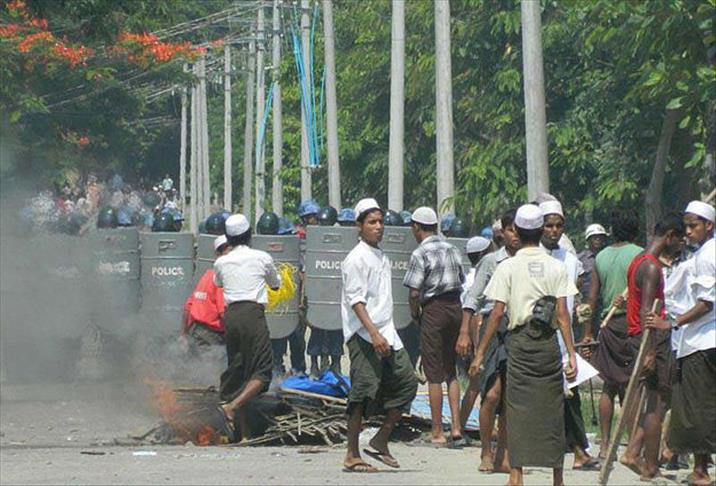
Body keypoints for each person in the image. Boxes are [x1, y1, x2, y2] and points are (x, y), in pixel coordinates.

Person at [469, 204, 578, 486]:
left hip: (518, 345)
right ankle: (557, 478)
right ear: (541, 231)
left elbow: (496, 313)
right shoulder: (556, 266)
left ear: (516, 230)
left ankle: (516, 475)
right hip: (548, 346)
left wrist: (479, 353)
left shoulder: (507, 267)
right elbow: (562, 315)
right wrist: (571, 355)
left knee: (516, 410)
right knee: (552, 411)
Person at [341, 198, 418, 472]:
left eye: (380, 222)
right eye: (372, 222)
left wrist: (384, 332)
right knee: (362, 392)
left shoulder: (381, 256)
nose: (378, 227)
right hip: (365, 334)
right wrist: (373, 333)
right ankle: (352, 454)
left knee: (408, 383)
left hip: (387, 332)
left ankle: (380, 439)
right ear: (359, 226)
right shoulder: (356, 259)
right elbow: (356, 301)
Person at [646, 201, 715, 486]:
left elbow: (706, 303)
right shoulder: (699, 256)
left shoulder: (707, 256)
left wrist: (672, 323)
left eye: (693, 226)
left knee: (697, 407)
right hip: (700, 340)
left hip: (703, 341)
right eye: (685, 226)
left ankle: (700, 470)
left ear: (708, 226)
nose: (688, 232)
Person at [618, 214, 685, 480]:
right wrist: (651, 351)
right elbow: (648, 310)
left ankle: (634, 451)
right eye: (679, 239)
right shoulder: (651, 267)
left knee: (659, 400)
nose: (680, 245)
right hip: (649, 338)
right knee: (657, 404)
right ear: (670, 236)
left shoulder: (639, 260)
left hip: (640, 336)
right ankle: (650, 465)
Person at [457, 209, 520, 472]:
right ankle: (485, 451)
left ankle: (503, 454)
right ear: (502, 233)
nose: (515, 235)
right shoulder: (492, 261)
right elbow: (474, 297)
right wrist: (465, 332)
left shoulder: (531, 260)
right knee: (491, 393)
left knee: (510, 397)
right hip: (492, 329)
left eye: (519, 230)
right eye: (510, 229)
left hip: (519, 330)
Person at [539, 200, 599, 471]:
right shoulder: (532, 257)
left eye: (558, 225)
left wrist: (585, 334)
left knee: (569, 394)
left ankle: (578, 450)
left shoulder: (572, 262)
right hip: (537, 338)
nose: (554, 230)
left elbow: (578, 303)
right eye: (548, 225)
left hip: (563, 340)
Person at [582, 209, 643, 458]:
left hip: (608, 326)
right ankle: (631, 445)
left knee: (609, 385)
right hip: (631, 325)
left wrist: (588, 332)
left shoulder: (602, 257)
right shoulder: (640, 255)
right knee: (631, 386)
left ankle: (606, 445)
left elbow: (592, 299)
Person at [215, 214, 281, 442]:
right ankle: (231, 407)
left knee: (240, 370)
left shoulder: (221, 262)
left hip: (231, 317)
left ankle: (243, 434)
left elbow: (218, 283)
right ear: (250, 234)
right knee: (262, 371)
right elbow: (275, 284)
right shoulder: (262, 258)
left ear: (228, 238)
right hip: (253, 314)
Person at [404, 206, 465, 446]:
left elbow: (414, 292)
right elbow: (461, 279)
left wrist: (415, 314)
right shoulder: (452, 249)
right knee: (451, 371)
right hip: (455, 308)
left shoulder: (420, 253)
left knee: (433, 374)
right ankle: (457, 428)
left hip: (434, 309)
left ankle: (437, 431)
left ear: (416, 227)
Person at [306, 207, 344, 376]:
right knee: (317, 331)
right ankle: (314, 365)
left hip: (335, 293)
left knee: (336, 332)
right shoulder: (314, 239)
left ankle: (336, 365)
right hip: (318, 292)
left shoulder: (343, 240)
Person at [182, 235, 231, 351]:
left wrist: (184, 334)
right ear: (218, 255)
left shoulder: (207, 275)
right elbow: (224, 313)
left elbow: (188, 307)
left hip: (196, 333)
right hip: (212, 337)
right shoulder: (222, 279)